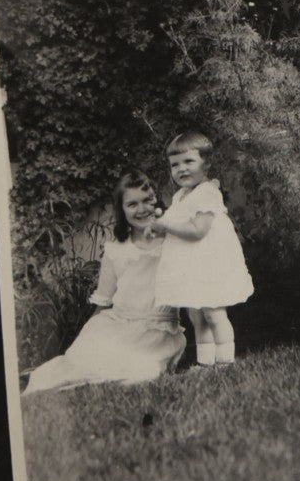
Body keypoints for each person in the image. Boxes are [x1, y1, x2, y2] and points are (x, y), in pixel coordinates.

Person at [24, 173, 186, 393]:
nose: (142, 209)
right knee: (86, 361)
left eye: (147, 200)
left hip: (157, 331)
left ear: (156, 200)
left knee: (139, 371)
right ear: (122, 210)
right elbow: (103, 301)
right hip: (117, 325)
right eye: (132, 204)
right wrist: (85, 339)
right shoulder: (116, 250)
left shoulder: (173, 240)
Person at [152, 130, 254, 367]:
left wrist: (167, 225)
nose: (182, 169)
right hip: (192, 266)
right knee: (196, 315)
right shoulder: (181, 196)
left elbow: (198, 230)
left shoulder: (208, 193)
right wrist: (159, 227)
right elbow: (175, 224)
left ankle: (226, 361)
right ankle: (205, 362)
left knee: (214, 313)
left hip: (210, 265)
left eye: (189, 161)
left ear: (206, 163)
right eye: (175, 165)